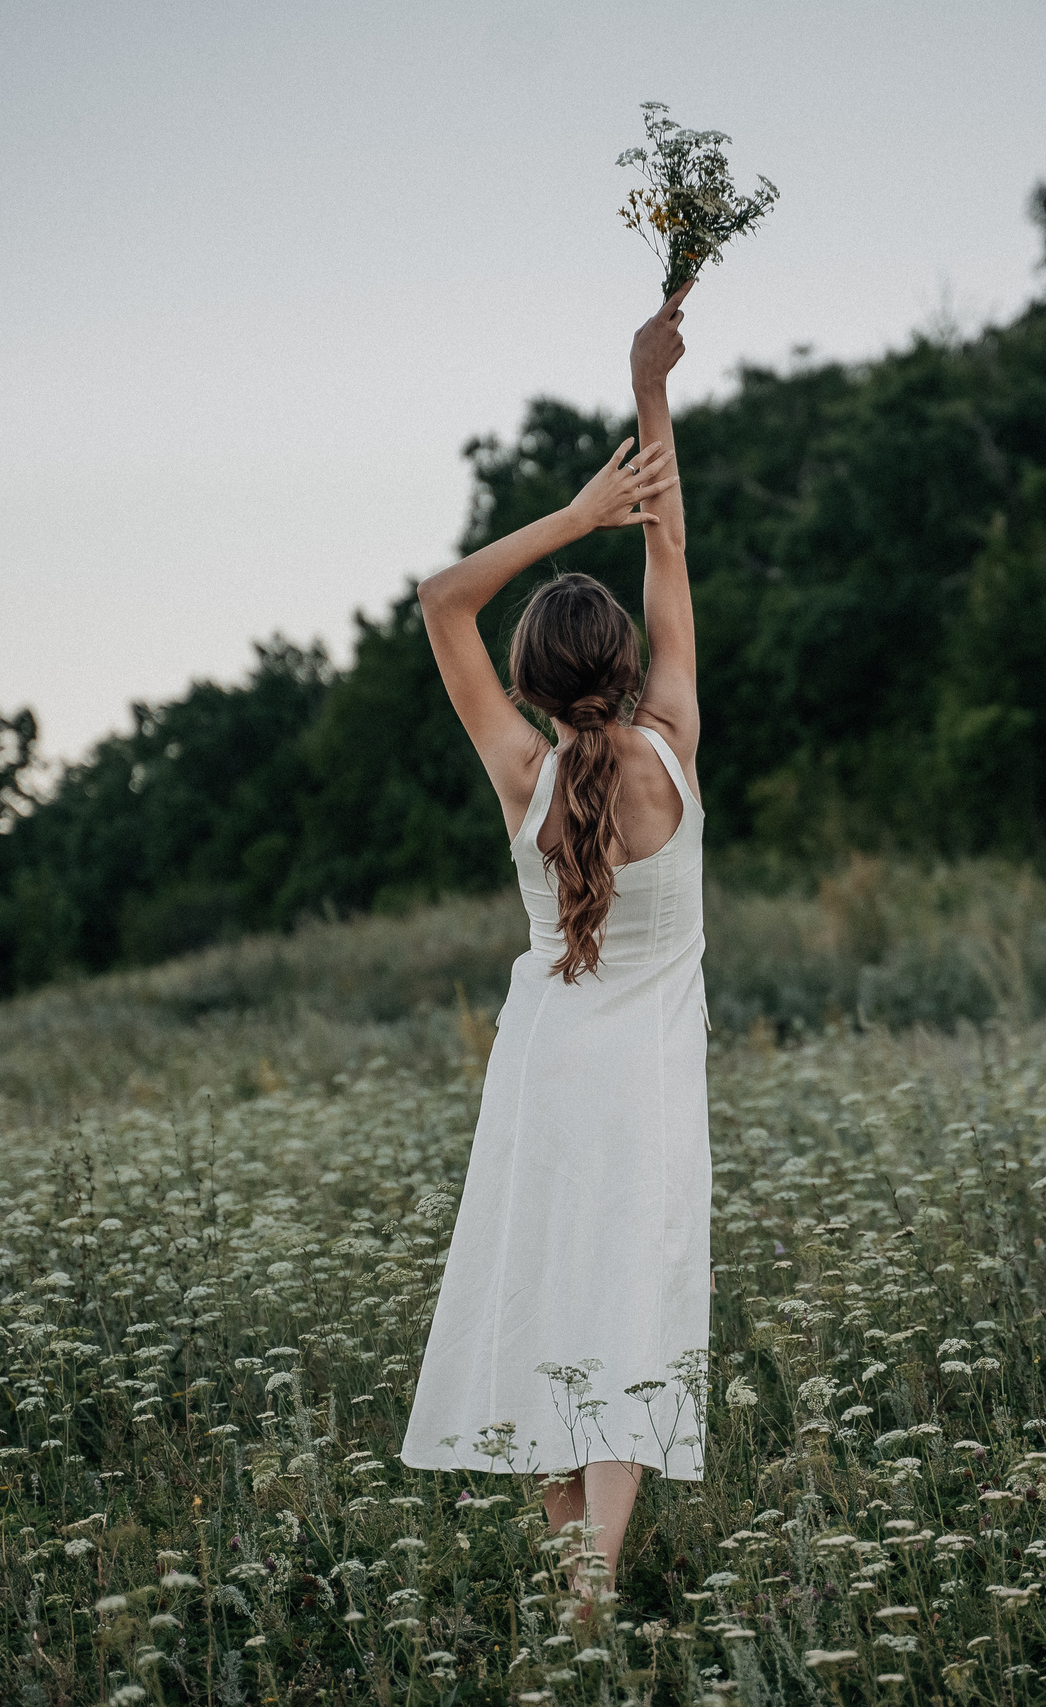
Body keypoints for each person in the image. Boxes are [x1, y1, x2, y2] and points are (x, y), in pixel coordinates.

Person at [396, 284, 708, 1611]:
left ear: (527, 684)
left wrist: (578, 514)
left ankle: (568, 1576)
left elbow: (440, 600)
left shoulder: (521, 770)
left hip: (541, 1077)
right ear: (627, 663)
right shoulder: (673, 747)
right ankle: (594, 1583)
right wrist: (650, 392)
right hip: (647, 1090)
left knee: (544, 1308)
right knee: (628, 1315)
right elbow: (672, 554)